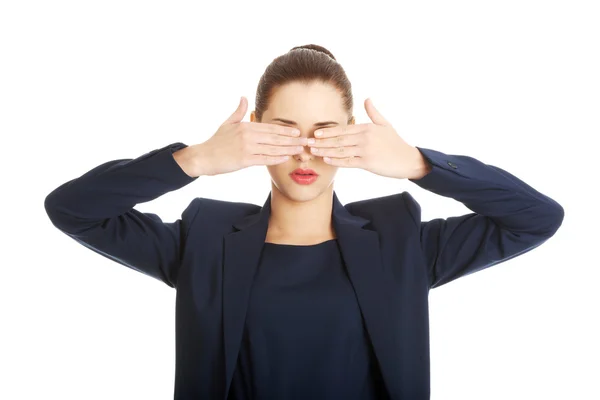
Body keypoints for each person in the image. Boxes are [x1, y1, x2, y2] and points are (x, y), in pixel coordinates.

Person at [44, 44, 564, 400]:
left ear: (355, 137)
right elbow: (72, 208)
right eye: (284, 130)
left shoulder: (400, 240)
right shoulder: (204, 239)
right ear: (252, 134)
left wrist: (418, 164)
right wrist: (196, 159)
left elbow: (535, 218)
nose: (306, 152)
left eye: (326, 131)